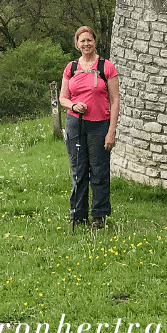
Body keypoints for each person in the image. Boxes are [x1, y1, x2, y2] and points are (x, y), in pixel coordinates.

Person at [59, 26, 119, 230]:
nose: (86, 44)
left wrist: (111, 131)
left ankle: (99, 217)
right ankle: (78, 214)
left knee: (99, 171)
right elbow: (62, 98)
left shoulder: (106, 67)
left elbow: (115, 100)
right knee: (79, 170)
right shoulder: (71, 68)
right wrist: (73, 106)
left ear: (95, 42)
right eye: (82, 41)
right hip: (75, 124)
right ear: (76, 44)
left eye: (89, 40)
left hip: (99, 125)